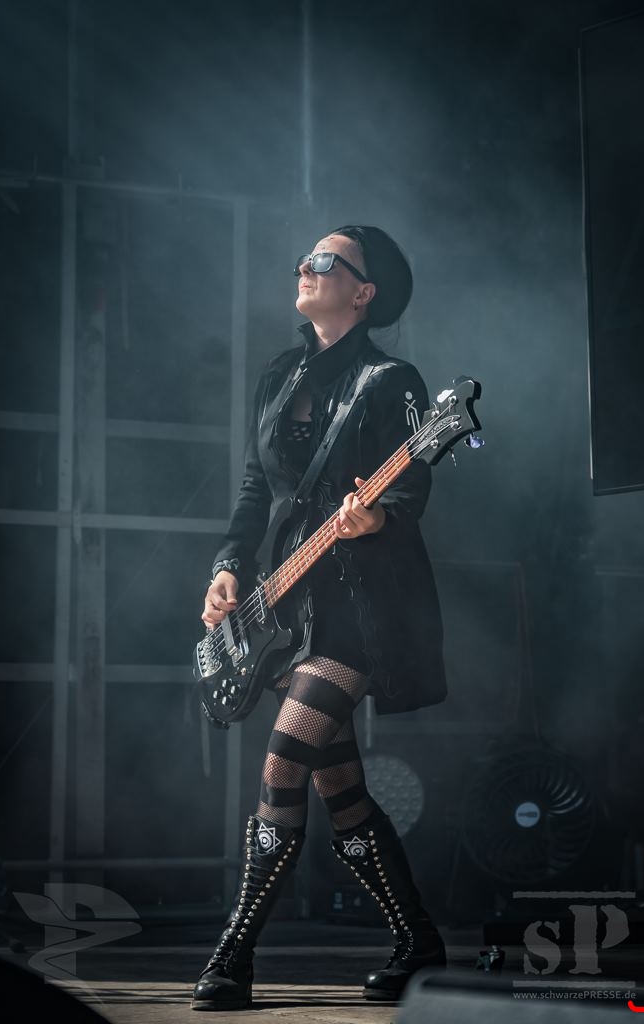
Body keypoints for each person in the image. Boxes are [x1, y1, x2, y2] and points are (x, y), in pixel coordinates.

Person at [191, 225, 448, 1011]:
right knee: (341, 789)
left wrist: (376, 516)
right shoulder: (280, 374)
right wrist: (227, 568)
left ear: (363, 293)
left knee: (282, 764)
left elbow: (411, 483)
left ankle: (234, 954)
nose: (305, 266)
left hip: (358, 611)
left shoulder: (391, 380)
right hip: (282, 607)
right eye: (306, 257)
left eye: (325, 261)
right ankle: (418, 943)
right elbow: (254, 490)